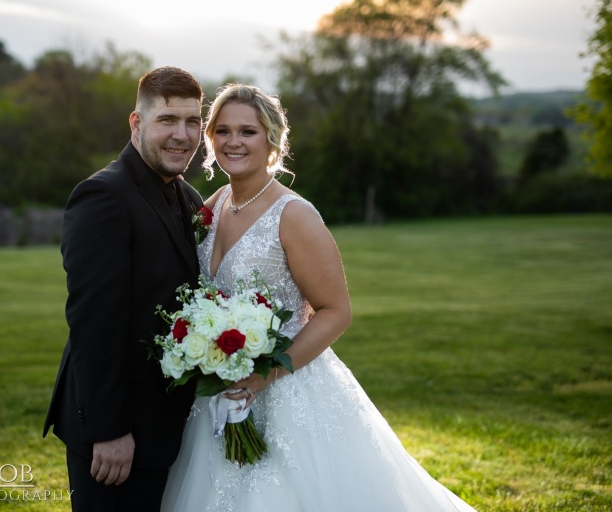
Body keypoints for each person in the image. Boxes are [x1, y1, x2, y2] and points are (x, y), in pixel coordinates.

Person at [161, 83, 477, 511]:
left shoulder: (293, 215)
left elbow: (335, 312)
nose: (233, 142)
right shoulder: (215, 205)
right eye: (223, 130)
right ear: (210, 138)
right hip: (220, 390)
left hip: (288, 391)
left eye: (248, 132)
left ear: (272, 140)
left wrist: (260, 378)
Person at [43, 66, 205, 512]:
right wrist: (109, 431)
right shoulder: (103, 197)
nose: (183, 135)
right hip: (117, 434)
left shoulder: (187, 197)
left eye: (193, 122)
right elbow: (94, 323)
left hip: (166, 426)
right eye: (167, 121)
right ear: (137, 124)